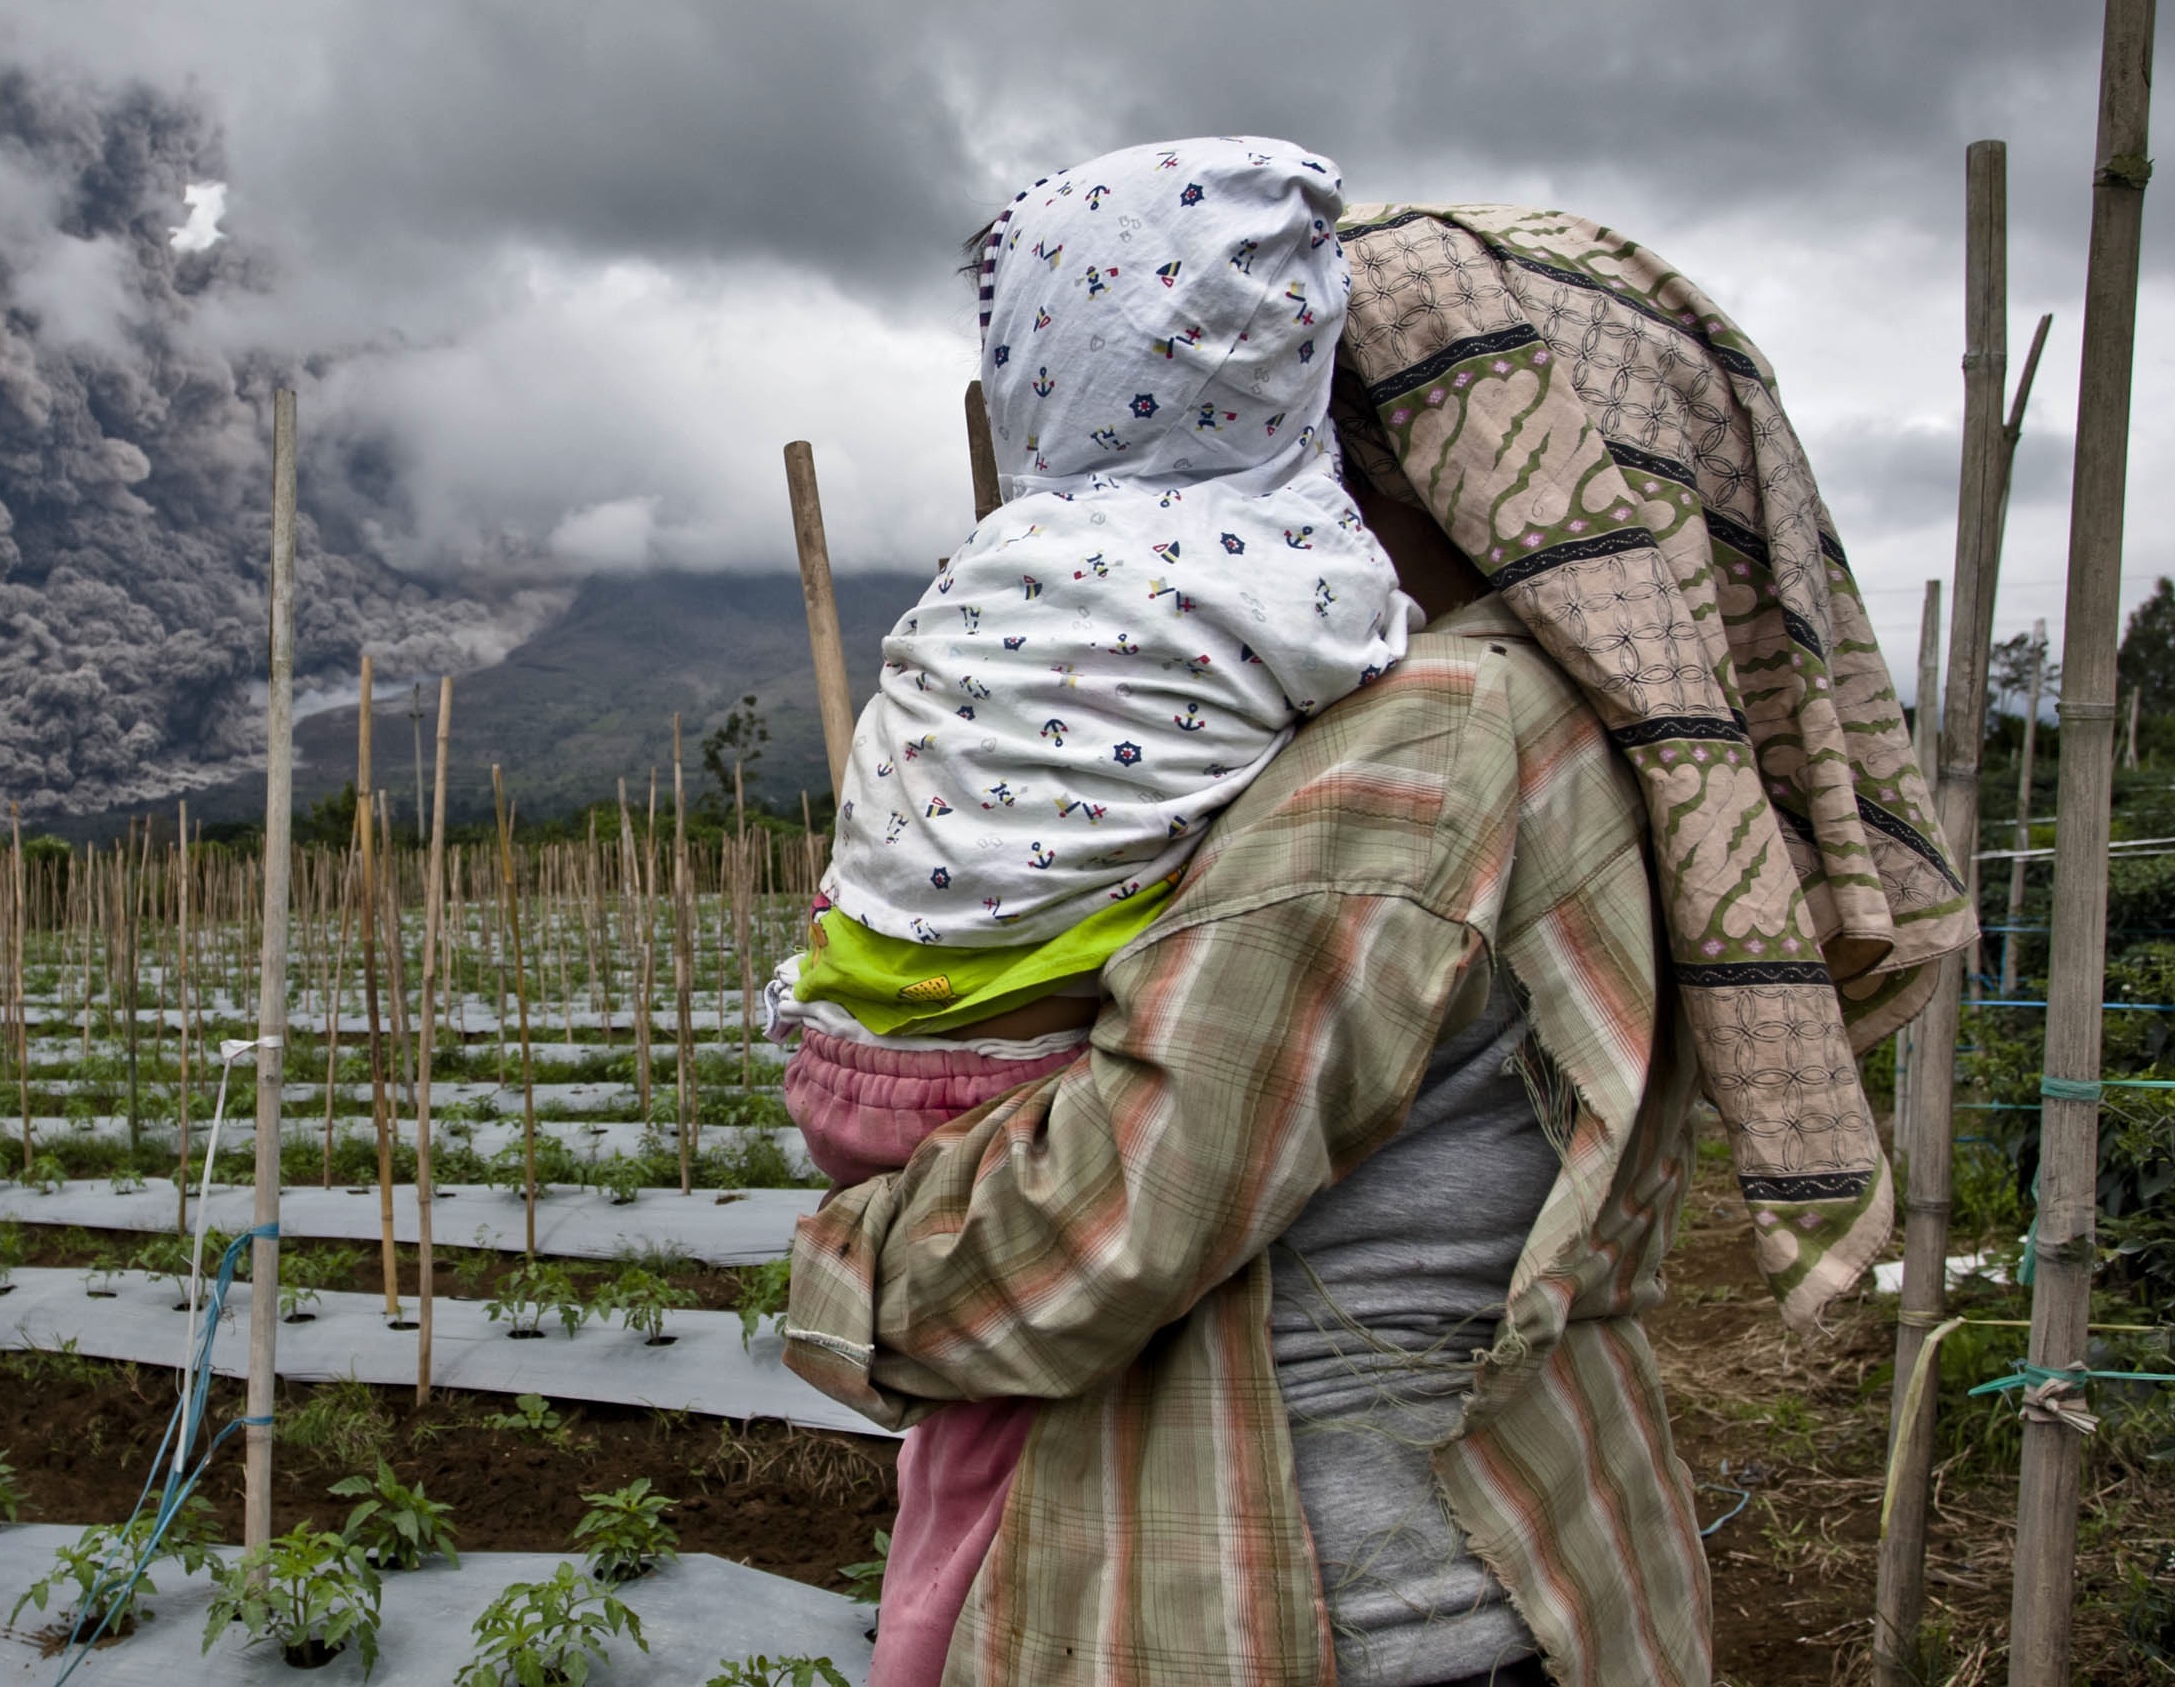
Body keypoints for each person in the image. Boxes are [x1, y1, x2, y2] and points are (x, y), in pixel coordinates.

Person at [781, 196, 1975, 1687]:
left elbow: (1093, 1230)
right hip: (1543, 1540)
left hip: (1331, 1603)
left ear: (1451, 452)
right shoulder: (1631, 741)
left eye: (1327, 430)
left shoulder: (1432, 740)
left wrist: (845, 1279)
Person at [764, 136, 1418, 1687]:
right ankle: (930, 1658)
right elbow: (1389, 696)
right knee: (1003, 1438)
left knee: (956, 1424)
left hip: (844, 1039)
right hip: (1014, 1073)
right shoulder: (1298, 575)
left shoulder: (991, 561)